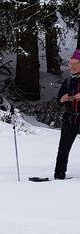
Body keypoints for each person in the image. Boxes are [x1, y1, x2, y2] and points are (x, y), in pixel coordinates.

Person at [54, 49, 80, 180]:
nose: (72, 66)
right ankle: (59, 176)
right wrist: (62, 100)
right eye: (70, 63)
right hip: (69, 119)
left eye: (75, 63)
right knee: (63, 150)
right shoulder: (68, 81)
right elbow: (59, 100)